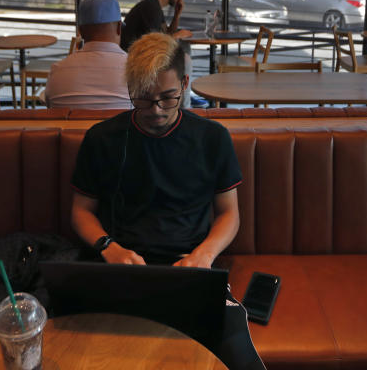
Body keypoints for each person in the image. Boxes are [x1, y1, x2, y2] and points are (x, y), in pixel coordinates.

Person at [69, 32, 264, 370]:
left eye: (168, 98)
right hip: (121, 269)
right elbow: (81, 211)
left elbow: (229, 214)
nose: (156, 111)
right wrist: (108, 247)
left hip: (191, 267)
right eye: (143, 99)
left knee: (236, 356)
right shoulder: (102, 139)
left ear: (185, 83)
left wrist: (204, 255)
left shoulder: (212, 139)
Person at [44, 0, 131, 109]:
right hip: (119, 127)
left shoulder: (58, 70)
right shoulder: (135, 70)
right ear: (119, 28)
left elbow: (49, 105)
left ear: (80, 31)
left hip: (70, 127)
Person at [120, 0, 192, 51]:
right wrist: (178, 35)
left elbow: (168, 33)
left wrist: (177, 14)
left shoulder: (155, 5)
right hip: (132, 54)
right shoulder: (151, 8)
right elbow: (155, 42)